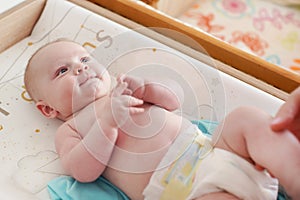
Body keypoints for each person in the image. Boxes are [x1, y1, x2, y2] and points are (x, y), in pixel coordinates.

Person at [24, 40, 300, 200]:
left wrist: (147, 88)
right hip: (184, 191)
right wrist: (107, 123)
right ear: (48, 110)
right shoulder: (71, 128)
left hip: (212, 150)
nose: (81, 67)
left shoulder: (125, 88)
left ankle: (295, 173)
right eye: (63, 70)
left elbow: (174, 103)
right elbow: (82, 171)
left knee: (244, 118)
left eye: (84, 58)